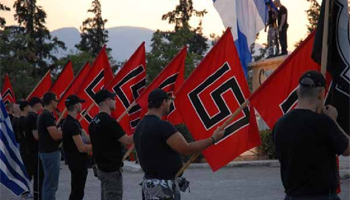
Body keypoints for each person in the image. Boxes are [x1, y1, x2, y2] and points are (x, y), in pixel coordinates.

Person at [133, 88, 225, 200]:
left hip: (149, 185)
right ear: (164, 102)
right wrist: (213, 139)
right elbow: (187, 149)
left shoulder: (140, 126)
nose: (170, 104)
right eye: (169, 101)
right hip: (162, 188)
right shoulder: (163, 126)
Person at [273, 71, 350, 200]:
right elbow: (347, 149)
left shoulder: (279, 124)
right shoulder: (324, 122)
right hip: (321, 196)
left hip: (292, 196)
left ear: (298, 92)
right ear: (321, 94)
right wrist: (333, 121)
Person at [89, 89, 133, 200]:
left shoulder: (94, 121)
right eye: (113, 99)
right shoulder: (109, 121)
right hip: (111, 171)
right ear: (107, 101)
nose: (115, 101)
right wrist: (142, 129)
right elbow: (127, 140)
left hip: (102, 169)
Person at [62, 95, 92, 200]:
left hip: (77, 162)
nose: (81, 105)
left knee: (78, 190)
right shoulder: (71, 124)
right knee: (77, 192)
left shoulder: (74, 122)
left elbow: (87, 138)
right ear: (75, 106)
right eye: (80, 103)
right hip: (76, 162)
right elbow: (82, 148)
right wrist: (98, 146)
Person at [38, 92, 62, 200]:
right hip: (50, 153)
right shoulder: (47, 115)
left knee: (48, 183)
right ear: (52, 101)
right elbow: (55, 136)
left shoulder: (44, 115)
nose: (57, 102)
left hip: (47, 152)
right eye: (56, 100)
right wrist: (66, 131)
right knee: (51, 184)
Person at [25, 97, 44, 200]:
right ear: (36, 104)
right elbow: (36, 136)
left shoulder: (32, 116)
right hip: (35, 151)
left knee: (39, 177)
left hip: (33, 150)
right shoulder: (32, 117)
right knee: (38, 177)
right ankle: (38, 196)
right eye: (40, 104)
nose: (41, 106)